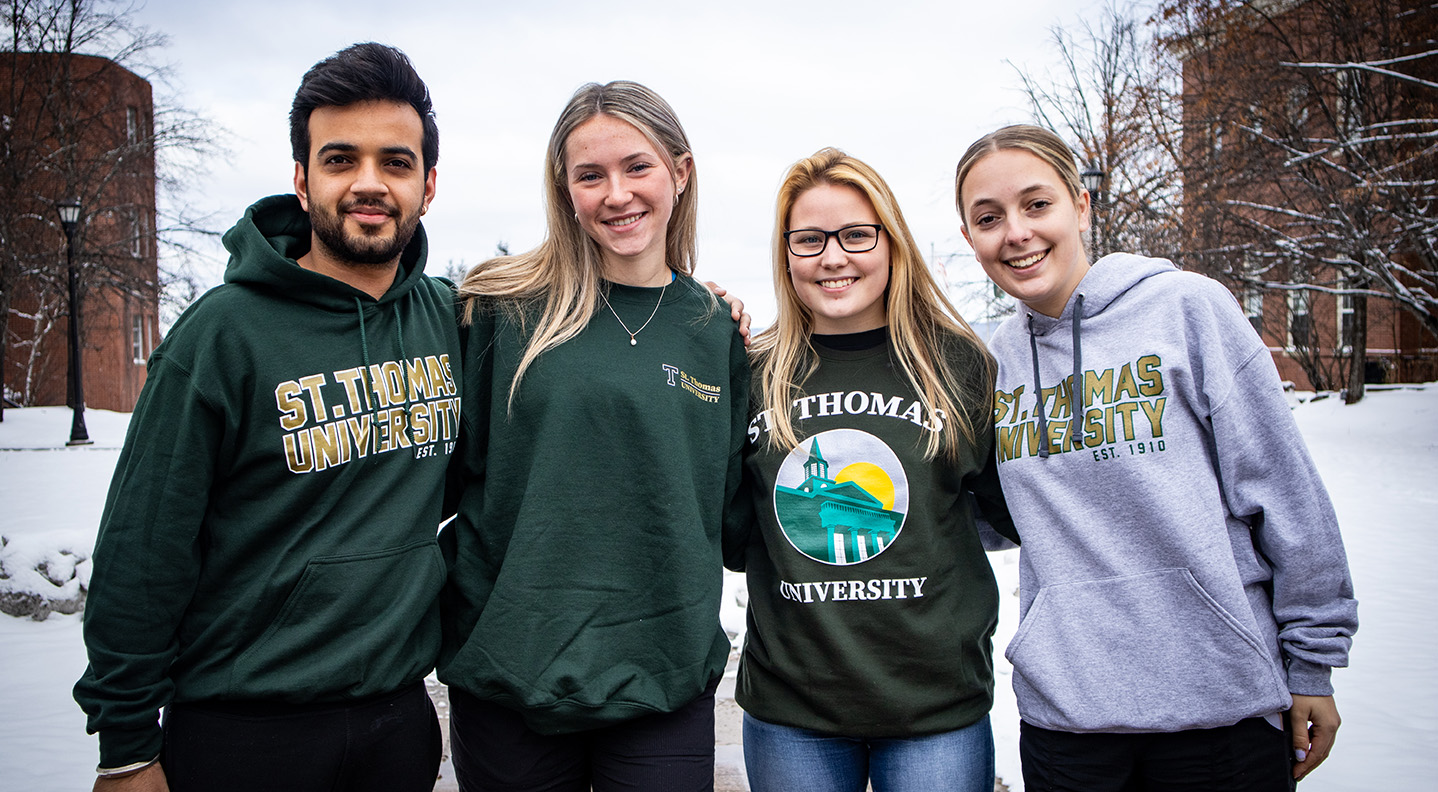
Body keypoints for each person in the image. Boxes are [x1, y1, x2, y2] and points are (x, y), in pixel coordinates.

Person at [73, 43, 456, 792]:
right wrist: (125, 744)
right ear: (302, 177)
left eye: (396, 162)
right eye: (341, 159)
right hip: (243, 732)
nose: (369, 184)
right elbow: (143, 548)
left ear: (429, 184)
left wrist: (692, 304)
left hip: (399, 724)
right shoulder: (221, 335)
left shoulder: (451, 320)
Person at [954, 124, 1358, 791]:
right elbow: (996, 514)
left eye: (1036, 204)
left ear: (1080, 206)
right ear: (971, 241)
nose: (1016, 233)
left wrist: (1313, 663)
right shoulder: (990, 364)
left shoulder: (1187, 310)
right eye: (989, 219)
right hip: (1068, 720)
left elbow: (1284, 492)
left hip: (1219, 710)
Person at [437, 80, 749, 792]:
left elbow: (727, 512)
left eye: (636, 166)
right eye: (590, 175)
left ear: (681, 170)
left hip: (662, 678)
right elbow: (433, 473)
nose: (617, 194)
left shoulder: (714, 332)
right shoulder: (500, 308)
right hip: (511, 673)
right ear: (564, 189)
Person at [732, 147, 1016, 792]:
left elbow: (1012, 510)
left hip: (935, 710)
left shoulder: (961, 366)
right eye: (808, 240)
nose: (834, 258)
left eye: (857, 234)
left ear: (892, 243)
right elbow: (730, 527)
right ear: (785, 254)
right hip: (792, 713)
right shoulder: (751, 371)